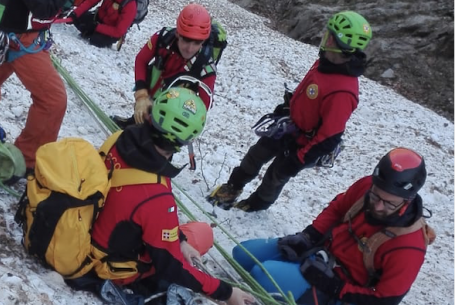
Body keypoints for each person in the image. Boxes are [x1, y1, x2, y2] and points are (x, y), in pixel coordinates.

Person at [66, 88, 256, 305]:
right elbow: (173, 267)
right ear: (185, 142)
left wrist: (180, 241)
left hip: (88, 228)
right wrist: (226, 292)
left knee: (192, 237)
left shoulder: (119, 139)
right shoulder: (156, 197)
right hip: (113, 267)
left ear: (150, 116)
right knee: (203, 234)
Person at [208, 11, 373, 212]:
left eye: (330, 37)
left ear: (344, 48)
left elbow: (330, 136)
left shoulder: (343, 91)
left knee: (275, 176)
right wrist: (289, 105)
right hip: (289, 126)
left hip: (303, 144)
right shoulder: (325, 62)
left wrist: (299, 160)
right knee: (255, 155)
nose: (325, 40)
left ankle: (256, 206)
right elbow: (309, 91)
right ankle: (233, 187)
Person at [232, 148, 431, 305]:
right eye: (376, 196)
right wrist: (308, 236)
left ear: (408, 199)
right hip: (320, 255)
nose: (378, 205)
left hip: (342, 286)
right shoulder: (367, 187)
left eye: (389, 203)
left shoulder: (408, 245)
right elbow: (337, 209)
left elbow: (386, 299)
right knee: (241, 254)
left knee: (262, 275)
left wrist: (335, 288)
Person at [0, 0, 68, 170]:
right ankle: (27, 158)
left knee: (2, 60)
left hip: (7, 21)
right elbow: (43, 9)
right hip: (19, 32)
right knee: (53, 100)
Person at [112, 3, 218, 129]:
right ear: (178, 34)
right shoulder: (163, 38)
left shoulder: (206, 67)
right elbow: (141, 60)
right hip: (151, 96)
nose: (190, 49)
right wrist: (141, 95)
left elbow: (204, 106)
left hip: (172, 121)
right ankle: (137, 123)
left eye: (197, 43)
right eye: (186, 40)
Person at [69, 0, 137, 48]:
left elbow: (118, 31)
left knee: (95, 40)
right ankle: (89, 31)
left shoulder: (130, 5)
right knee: (79, 19)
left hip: (111, 32)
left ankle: (95, 34)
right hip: (97, 19)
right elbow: (90, 1)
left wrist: (96, 27)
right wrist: (75, 13)